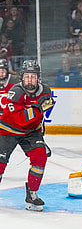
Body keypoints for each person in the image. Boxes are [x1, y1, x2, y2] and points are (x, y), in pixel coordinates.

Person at [0, 60, 54, 211]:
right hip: (7, 131)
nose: (30, 80)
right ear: (22, 78)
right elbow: (21, 120)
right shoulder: (14, 92)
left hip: (31, 132)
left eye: (33, 76)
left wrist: (42, 139)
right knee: (0, 163)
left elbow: (41, 117)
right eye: (27, 77)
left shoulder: (46, 92)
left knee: (40, 157)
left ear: (38, 78)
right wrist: (37, 107)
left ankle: (32, 194)